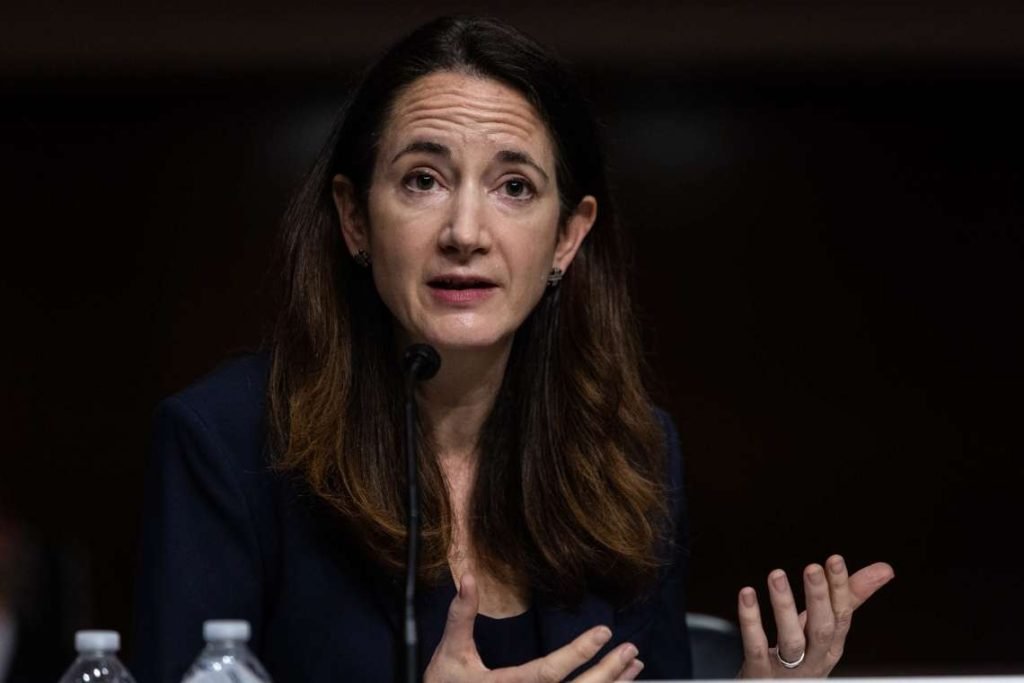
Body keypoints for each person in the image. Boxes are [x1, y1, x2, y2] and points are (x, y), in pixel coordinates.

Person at [133, 15, 894, 682]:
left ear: (568, 236)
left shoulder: (631, 458)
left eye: (515, 187)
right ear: (355, 218)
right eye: (423, 180)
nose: (466, 231)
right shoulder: (225, 444)